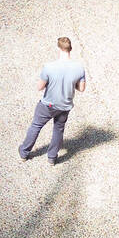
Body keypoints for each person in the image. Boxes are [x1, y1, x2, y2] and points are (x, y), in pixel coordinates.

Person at [18, 37, 86, 165]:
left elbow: (40, 87)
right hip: (65, 106)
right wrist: (71, 83)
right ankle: (52, 158)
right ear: (70, 49)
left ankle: (24, 152)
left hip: (48, 105)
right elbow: (81, 88)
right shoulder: (79, 68)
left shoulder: (49, 67)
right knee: (58, 129)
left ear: (58, 48)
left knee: (36, 126)